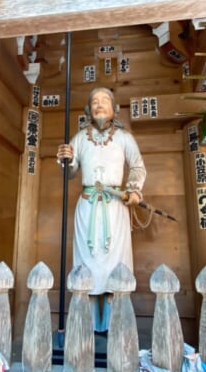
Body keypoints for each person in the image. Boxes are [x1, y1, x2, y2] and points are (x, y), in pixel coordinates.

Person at [57, 87, 146, 333]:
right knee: (88, 265)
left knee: (114, 265)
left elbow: (138, 167)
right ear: (88, 109)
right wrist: (65, 160)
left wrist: (134, 189)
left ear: (114, 108)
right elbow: (70, 172)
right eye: (94, 101)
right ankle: (87, 326)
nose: (99, 105)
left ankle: (113, 326)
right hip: (87, 208)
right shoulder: (78, 138)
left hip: (115, 207)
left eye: (104, 100)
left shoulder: (125, 138)